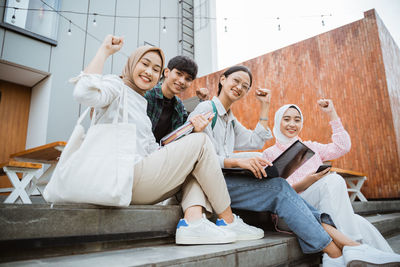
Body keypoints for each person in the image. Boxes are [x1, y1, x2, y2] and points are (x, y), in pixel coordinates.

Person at [189, 65, 400, 266]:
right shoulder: (207, 108)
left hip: (238, 183)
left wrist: (265, 105)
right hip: (216, 182)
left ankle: (352, 251)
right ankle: (342, 251)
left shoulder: (231, 120)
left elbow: (255, 140)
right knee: (284, 187)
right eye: (237, 81)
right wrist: (236, 161)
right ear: (223, 79)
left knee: (344, 207)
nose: (240, 88)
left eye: (246, 86)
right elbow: (194, 152)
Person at [71, 34, 265, 246]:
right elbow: (84, 92)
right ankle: (227, 220)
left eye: (154, 69)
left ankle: (193, 224)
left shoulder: (144, 104)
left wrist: (185, 139)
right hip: (120, 176)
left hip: (139, 176)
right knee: (200, 142)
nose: (148, 72)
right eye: (145, 64)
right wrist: (104, 51)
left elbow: (154, 146)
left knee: (193, 161)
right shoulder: (116, 86)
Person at [262, 101, 394, 253]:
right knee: (334, 180)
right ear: (278, 121)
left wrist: (332, 113)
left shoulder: (312, 147)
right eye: (287, 119)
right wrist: (306, 183)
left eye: (297, 120)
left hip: (322, 206)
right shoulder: (268, 154)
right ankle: (354, 248)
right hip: (292, 208)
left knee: (361, 223)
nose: (292, 124)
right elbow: (274, 194)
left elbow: (342, 147)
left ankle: (385, 258)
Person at [144, 55, 210, 143]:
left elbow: (184, 134)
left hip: (164, 153)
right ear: (166, 72)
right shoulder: (147, 94)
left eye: (188, 79)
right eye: (179, 74)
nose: (182, 81)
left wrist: (203, 101)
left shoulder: (179, 107)